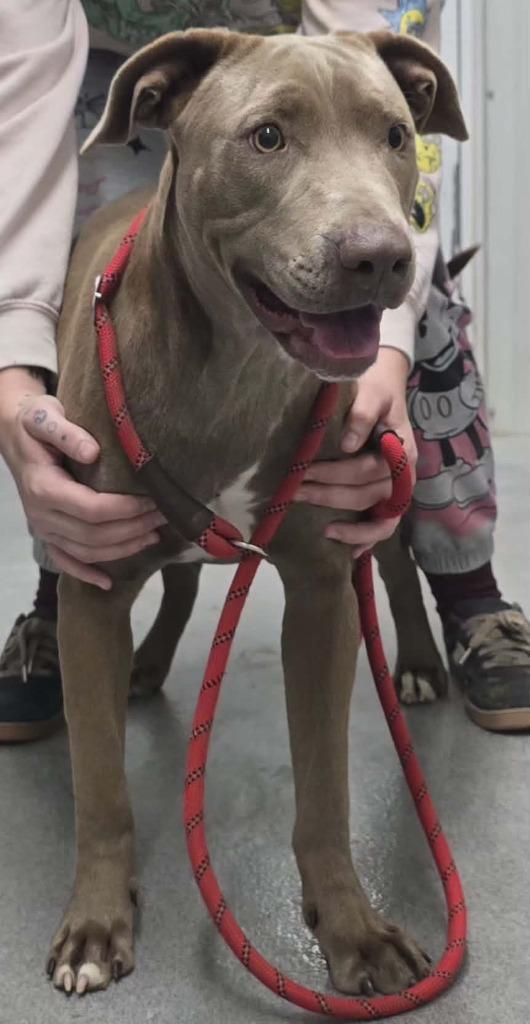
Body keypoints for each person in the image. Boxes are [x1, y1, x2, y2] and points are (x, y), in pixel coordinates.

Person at [1, 0, 529, 743]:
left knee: (415, 312)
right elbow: (18, 115)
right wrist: (13, 372)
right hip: (100, 65)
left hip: (323, 60)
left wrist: (387, 358)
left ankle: (469, 590)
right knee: (88, 311)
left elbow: (384, 142)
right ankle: (69, 592)